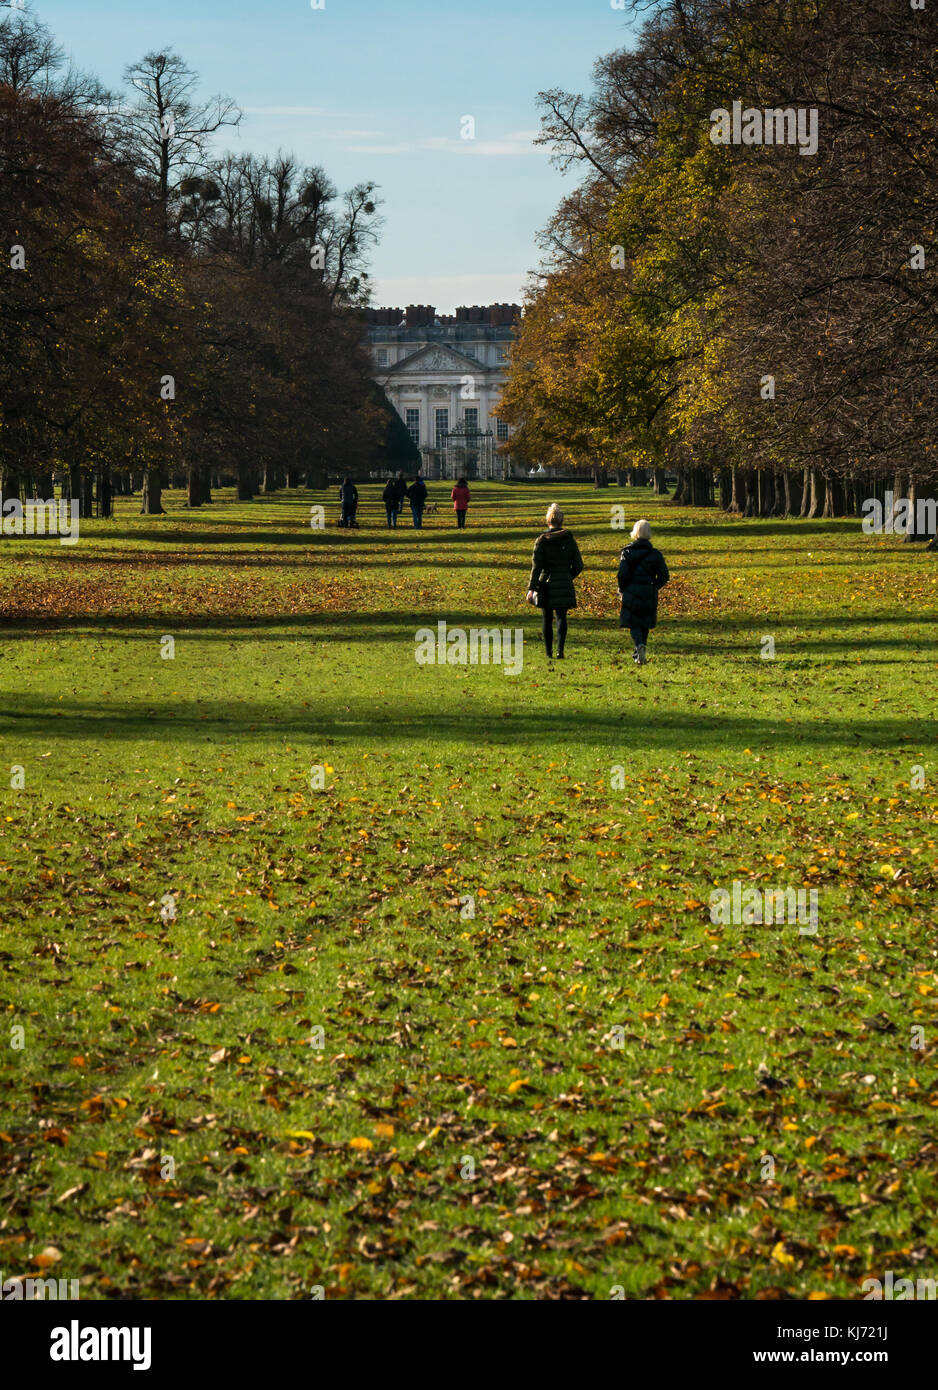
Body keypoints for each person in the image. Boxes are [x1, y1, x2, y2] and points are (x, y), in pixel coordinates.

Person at [527, 503, 583, 661]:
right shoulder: (569, 540)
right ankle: (560, 650)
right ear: (561, 520)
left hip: (546, 583)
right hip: (563, 582)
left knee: (547, 618)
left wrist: (531, 588)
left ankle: (548, 652)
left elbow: (536, 567)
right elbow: (579, 565)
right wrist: (567, 576)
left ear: (548, 521)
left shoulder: (542, 540)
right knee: (561, 617)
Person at [617, 519, 669, 665]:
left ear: (635, 533)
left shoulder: (627, 553)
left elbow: (622, 574)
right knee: (645, 622)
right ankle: (640, 650)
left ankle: (639, 645)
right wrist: (654, 587)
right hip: (649, 591)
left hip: (631, 591)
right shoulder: (655, 554)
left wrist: (622, 589)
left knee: (634, 622)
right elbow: (664, 575)